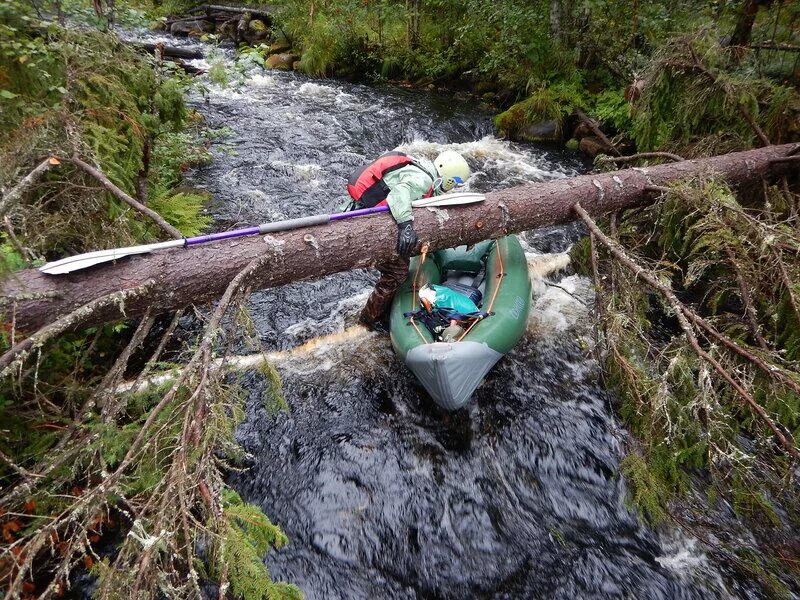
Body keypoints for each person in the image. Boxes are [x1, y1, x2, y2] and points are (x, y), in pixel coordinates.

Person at [346, 149, 471, 328]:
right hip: (366, 220)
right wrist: (405, 226)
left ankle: (381, 311)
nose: (453, 186)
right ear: (451, 176)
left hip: (362, 209)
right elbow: (399, 193)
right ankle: (369, 320)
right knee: (397, 272)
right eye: (456, 182)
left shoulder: (422, 168)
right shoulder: (424, 179)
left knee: (399, 266)